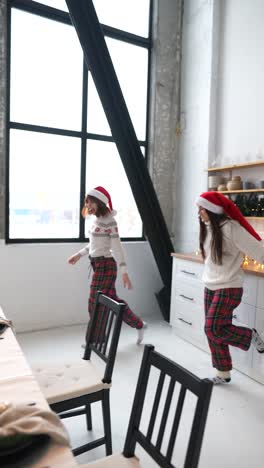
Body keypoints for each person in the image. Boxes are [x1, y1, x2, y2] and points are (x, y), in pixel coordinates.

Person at [196, 191, 264, 385]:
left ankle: (249, 335)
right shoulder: (208, 227)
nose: (199, 212)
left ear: (212, 209)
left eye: (202, 208)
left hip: (229, 286)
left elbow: (259, 251)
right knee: (214, 331)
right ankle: (223, 373)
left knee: (212, 328)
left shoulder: (231, 228)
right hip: (210, 285)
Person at [68, 186, 147, 345]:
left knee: (95, 302)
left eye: (91, 202)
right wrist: (79, 255)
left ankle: (94, 341)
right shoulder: (97, 221)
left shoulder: (110, 221)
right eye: (87, 202)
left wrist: (124, 271)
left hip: (106, 266)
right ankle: (139, 325)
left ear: (100, 202)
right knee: (113, 302)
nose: (88, 206)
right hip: (98, 265)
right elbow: (94, 246)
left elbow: (117, 246)